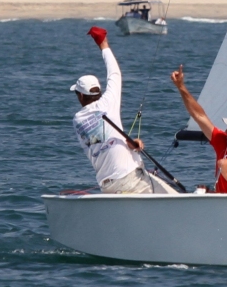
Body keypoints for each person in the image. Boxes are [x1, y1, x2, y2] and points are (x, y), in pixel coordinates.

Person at [71, 27, 173, 194]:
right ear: (99, 92)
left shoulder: (77, 120)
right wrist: (103, 45)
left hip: (108, 186)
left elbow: (100, 140)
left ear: (81, 96)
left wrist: (128, 144)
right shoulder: (108, 101)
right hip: (130, 179)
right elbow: (115, 73)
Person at [170, 65, 227, 193]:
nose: (226, 131)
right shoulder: (222, 141)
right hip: (220, 204)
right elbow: (199, 115)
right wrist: (181, 87)